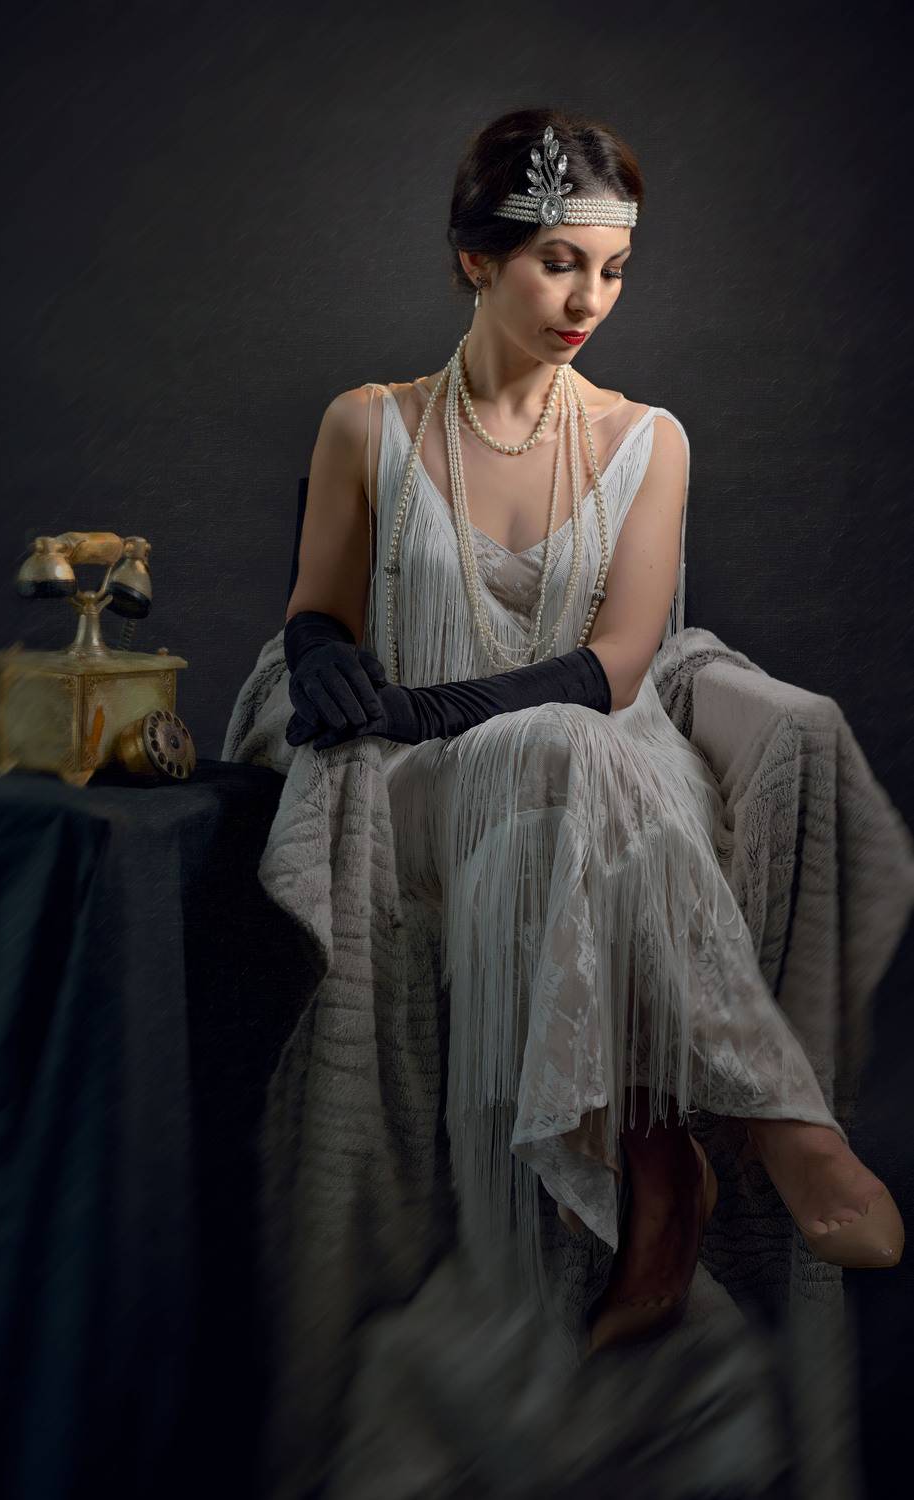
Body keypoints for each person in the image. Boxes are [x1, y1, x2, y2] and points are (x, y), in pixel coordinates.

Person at [278, 107, 904, 1355]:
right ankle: (764, 1126)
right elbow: (317, 607)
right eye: (558, 261)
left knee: (581, 763)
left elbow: (620, 664)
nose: (588, 300)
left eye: (612, 270)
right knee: (575, 764)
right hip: (428, 787)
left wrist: (435, 702)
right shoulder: (366, 423)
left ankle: (662, 1169)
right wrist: (324, 658)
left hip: (595, 748)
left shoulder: (645, 439)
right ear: (475, 257)